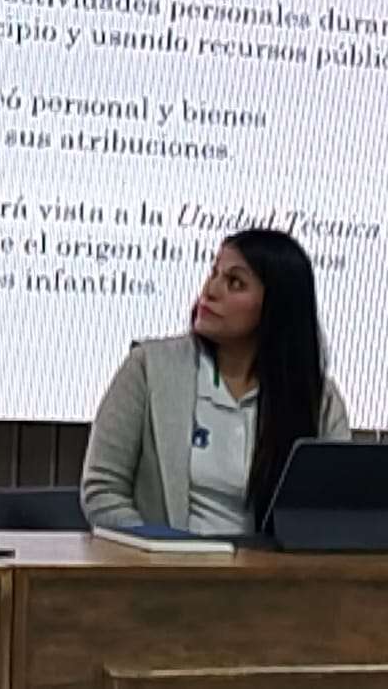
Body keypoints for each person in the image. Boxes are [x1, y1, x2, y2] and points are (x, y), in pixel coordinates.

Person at [81, 228, 352, 535]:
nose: (210, 291)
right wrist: (161, 548)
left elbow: (336, 509)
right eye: (214, 273)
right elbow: (102, 491)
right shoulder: (149, 367)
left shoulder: (319, 400)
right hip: (166, 562)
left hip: (270, 565)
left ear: (276, 306)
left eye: (235, 283)